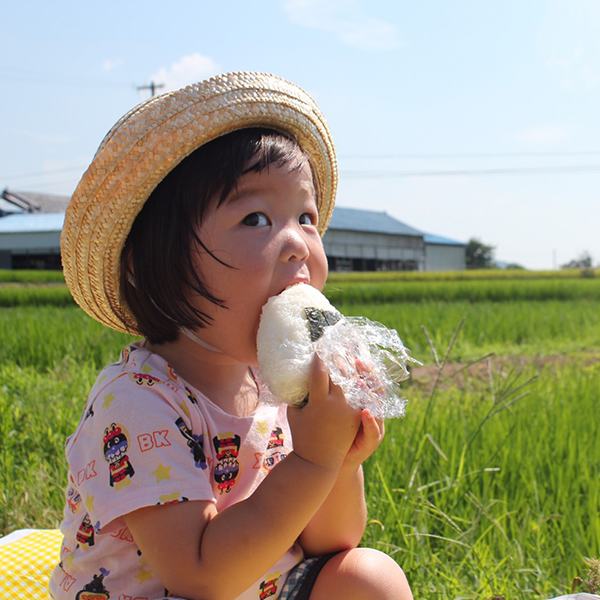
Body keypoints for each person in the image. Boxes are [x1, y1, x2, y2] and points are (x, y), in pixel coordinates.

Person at [50, 72, 413, 600]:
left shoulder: (274, 386)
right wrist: (310, 460)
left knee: (368, 577)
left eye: (306, 217)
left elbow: (333, 541)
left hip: (263, 588)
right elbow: (200, 575)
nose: (296, 243)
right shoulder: (137, 402)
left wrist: (338, 461)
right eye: (256, 217)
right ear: (156, 265)